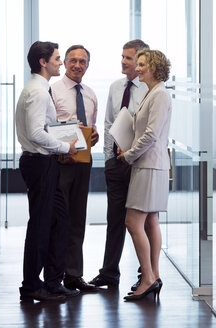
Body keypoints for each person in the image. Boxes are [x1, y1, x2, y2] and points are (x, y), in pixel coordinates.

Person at [16, 41, 80, 302]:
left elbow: (43, 127)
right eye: (56, 58)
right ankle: (31, 286)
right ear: (42, 62)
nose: (61, 62)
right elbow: (35, 133)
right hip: (39, 163)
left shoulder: (38, 89)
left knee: (59, 221)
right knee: (41, 227)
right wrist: (66, 146)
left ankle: (52, 282)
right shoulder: (39, 92)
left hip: (45, 163)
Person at [89, 39, 149, 288]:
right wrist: (109, 158)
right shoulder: (115, 88)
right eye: (122, 57)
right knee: (114, 219)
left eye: (128, 58)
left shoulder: (150, 89)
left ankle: (145, 274)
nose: (123, 62)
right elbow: (108, 124)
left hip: (139, 164)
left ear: (141, 61)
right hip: (116, 162)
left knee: (141, 221)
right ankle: (109, 272)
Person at [118, 49, 172, 301]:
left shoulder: (160, 94)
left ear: (155, 67)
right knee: (150, 221)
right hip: (149, 164)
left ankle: (148, 278)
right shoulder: (152, 92)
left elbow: (150, 134)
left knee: (133, 222)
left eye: (142, 64)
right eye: (137, 64)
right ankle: (154, 276)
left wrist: (129, 155)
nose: (137, 68)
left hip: (149, 165)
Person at [51, 45, 98, 291]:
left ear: (87, 65)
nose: (77, 65)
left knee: (78, 219)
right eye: (72, 60)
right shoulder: (53, 90)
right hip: (61, 163)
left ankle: (73, 275)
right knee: (60, 219)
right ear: (65, 63)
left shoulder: (90, 94)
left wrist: (95, 136)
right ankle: (54, 277)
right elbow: (46, 127)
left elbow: (90, 128)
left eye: (82, 61)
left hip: (83, 163)